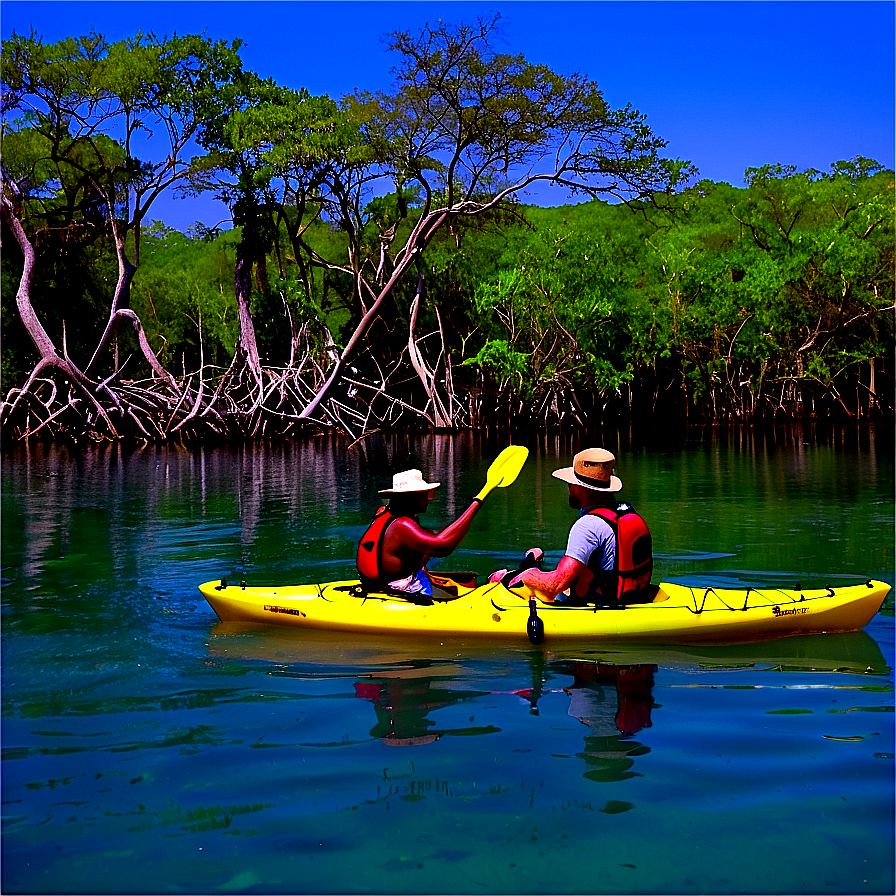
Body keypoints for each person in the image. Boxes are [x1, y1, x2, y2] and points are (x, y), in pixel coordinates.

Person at [496, 448, 653, 605]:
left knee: (511, 580)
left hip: (602, 606)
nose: (569, 488)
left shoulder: (588, 526)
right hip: (631, 598)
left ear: (577, 487)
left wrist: (521, 575)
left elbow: (553, 587)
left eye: (570, 484)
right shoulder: (625, 514)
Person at [356, 469, 481, 597]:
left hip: (380, 582)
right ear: (414, 497)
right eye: (426, 494)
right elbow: (443, 547)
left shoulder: (385, 512)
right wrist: (476, 505)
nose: (429, 499)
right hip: (399, 589)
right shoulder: (402, 525)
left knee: (429, 535)